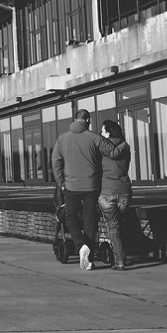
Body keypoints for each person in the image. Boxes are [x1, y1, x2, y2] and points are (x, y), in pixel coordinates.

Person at [51, 109, 127, 270]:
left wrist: (61, 182)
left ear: (75, 120)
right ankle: (89, 257)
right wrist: (123, 143)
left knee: (70, 217)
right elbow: (112, 152)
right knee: (90, 220)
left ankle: (80, 245)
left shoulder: (62, 139)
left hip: (71, 186)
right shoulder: (94, 137)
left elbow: (55, 161)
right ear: (88, 121)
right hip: (92, 186)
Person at [98, 119, 132, 271]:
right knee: (121, 224)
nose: (100, 133)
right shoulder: (126, 147)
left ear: (109, 132)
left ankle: (120, 261)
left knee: (113, 227)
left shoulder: (101, 149)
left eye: (103, 131)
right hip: (124, 190)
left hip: (107, 190)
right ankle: (122, 255)